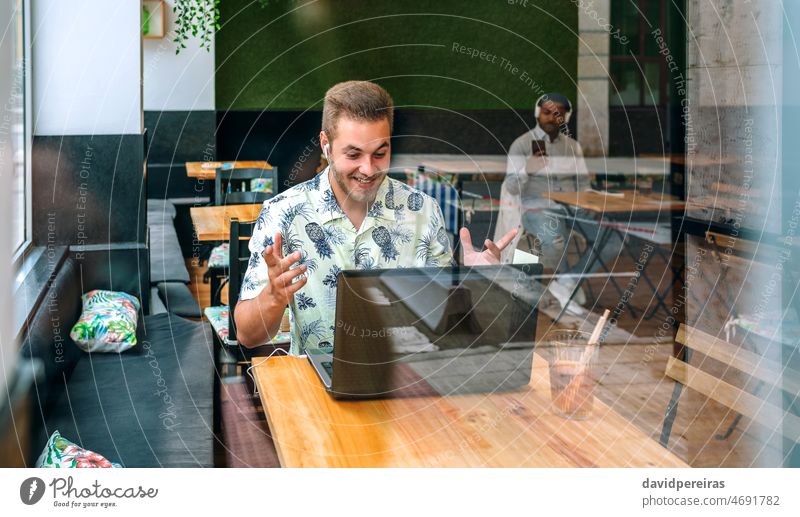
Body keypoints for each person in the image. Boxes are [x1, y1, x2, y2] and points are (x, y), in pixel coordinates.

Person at [234, 81, 517, 353]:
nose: (368, 169)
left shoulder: (424, 210)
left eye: (380, 153)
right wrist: (273, 297)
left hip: (411, 379)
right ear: (326, 145)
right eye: (354, 154)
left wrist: (477, 284)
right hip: (316, 391)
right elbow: (248, 336)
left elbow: (448, 324)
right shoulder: (282, 212)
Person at [496, 92, 625, 314]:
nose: (551, 118)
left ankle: (567, 282)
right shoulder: (522, 144)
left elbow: (583, 183)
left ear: (566, 117)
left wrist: (587, 201)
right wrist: (528, 170)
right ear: (538, 114)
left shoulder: (572, 147)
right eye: (546, 113)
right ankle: (565, 289)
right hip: (538, 208)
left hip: (574, 208)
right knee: (556, 237)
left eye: (558, 114)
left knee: (615, 238)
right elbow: (511, 187)